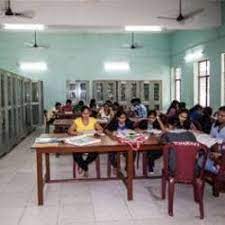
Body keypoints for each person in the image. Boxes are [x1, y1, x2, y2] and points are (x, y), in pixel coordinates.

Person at [68, 106, 103, 177]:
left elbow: (101, 129)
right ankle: (85, 168)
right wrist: (78, 133)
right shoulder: (77, 120)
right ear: (81, 113)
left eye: (87, 113)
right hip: (80, 141)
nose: (86, 115)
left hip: (91, 141)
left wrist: (97, 132)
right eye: (84, 113)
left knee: (95, 153)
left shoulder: (93, 120)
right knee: (76, 154)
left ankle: (83, 165)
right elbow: (69, 131)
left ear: (90, 113)